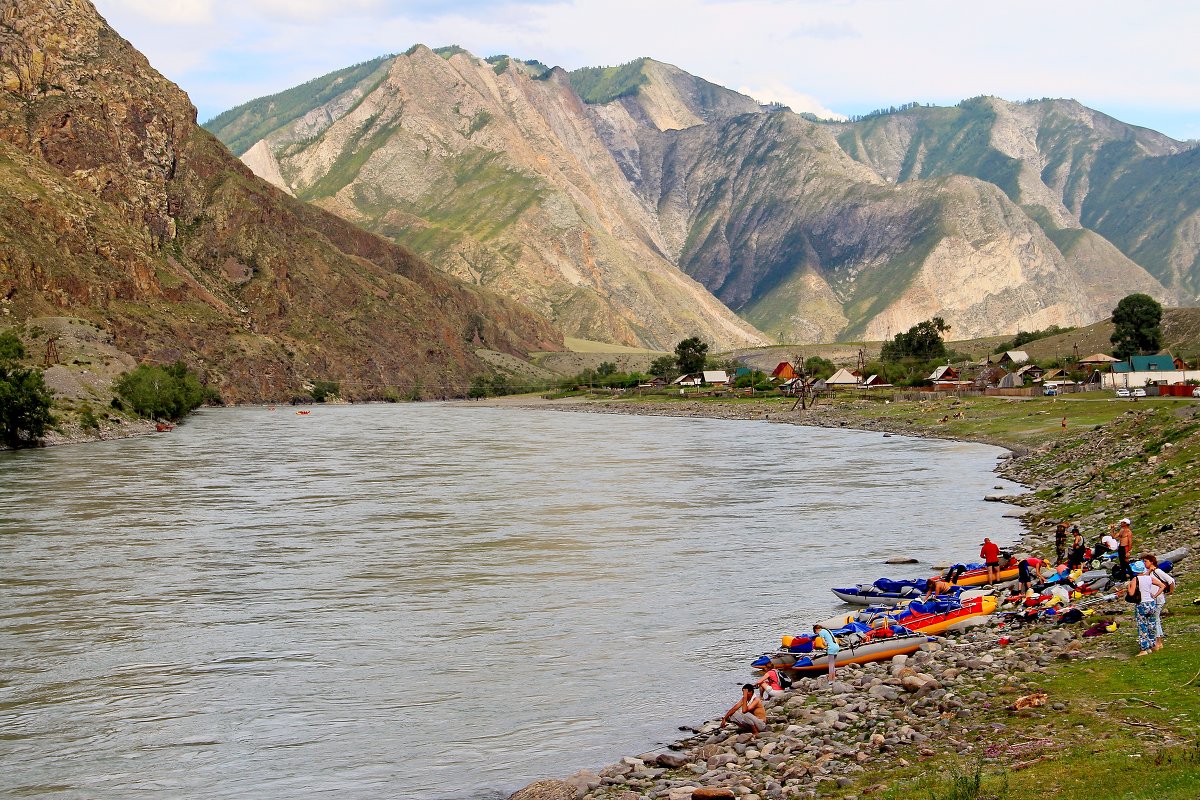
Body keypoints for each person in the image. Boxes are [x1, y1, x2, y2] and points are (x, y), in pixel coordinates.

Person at [1127, 561, 1166, 656]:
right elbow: (1162, 585)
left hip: (1141, 604)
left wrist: (1128, 586)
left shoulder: (1135, 579)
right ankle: (1152, 645)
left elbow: (1131, 593)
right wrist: (1155, 595)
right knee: (1151, 625)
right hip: (1151, 603)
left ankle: (1144, 648)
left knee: (1142, 626)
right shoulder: (1149, 578)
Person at [1143, 554, 1176, 651]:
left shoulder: (1157, 571)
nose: (1145, 563)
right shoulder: (1149, 572)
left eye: (1146, 561)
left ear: (1151, 562)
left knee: (1155, 620)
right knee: (1156, 619)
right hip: (1153, 599)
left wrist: (1171, 591)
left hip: (1157, 599)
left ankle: (1158, 642)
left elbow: (1171, 580)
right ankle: (1158, 642)